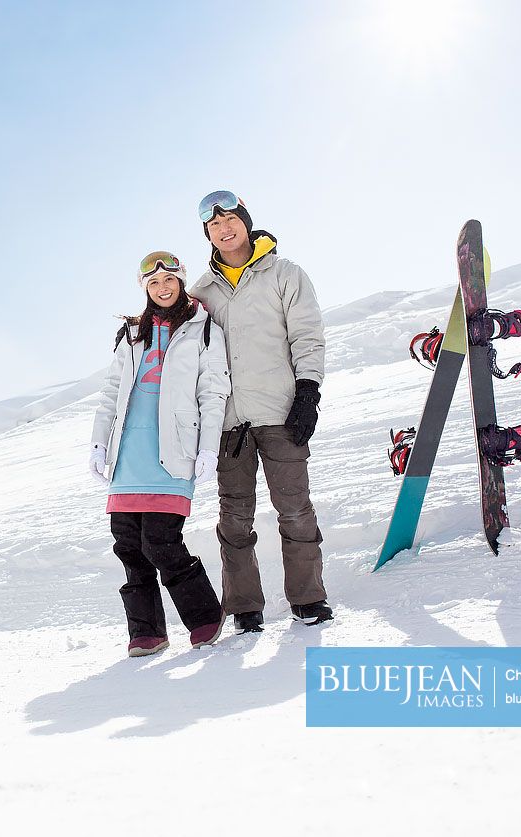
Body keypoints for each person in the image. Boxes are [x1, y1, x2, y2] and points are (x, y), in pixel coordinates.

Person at [187, 190, 333, 632]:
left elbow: (307, 334)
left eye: (230, 219)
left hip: (280, 413)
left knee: (294, 509)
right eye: (214, 225)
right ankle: (245, 607)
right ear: (207, 234)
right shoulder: (201, 293)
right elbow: (185, 356)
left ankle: (308, 599)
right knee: (234, 518)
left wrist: (308, 391)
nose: (224, 228)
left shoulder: (284, 273)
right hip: (228, 423)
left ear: (246, 222)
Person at [89, 251, 231, 657]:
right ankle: (147, 632)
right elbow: (111, 394)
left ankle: (205, 616)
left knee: (161, 541)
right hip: (128, 450)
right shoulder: (132, 333)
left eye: (169, 280)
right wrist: (100, 443)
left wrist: (208, 449)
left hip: (172, 449)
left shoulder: (203, 330)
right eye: (153, 283)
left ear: (181, 282)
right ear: (145, 288)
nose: (162, 288)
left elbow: (213, 392)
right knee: (128, 545)